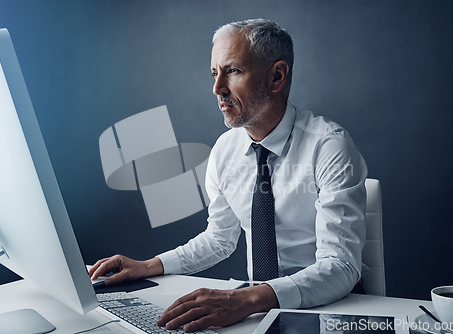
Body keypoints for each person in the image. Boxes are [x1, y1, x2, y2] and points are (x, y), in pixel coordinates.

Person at [89, 18, 367, 332]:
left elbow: (341, 266)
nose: (217, 88)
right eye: (214, 72)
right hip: (258, 313)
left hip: (328, 312)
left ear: (276, 76)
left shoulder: (329, 147)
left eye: (232, 71)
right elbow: (220, 239)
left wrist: (247, 300)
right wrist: (148, 266)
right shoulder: (225, 149)